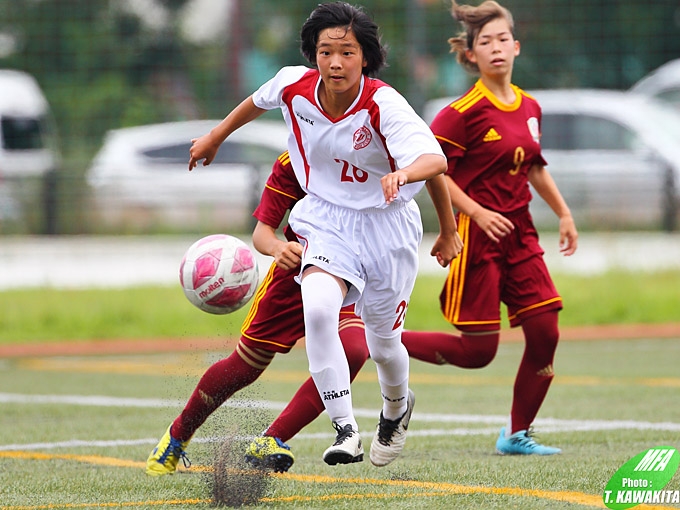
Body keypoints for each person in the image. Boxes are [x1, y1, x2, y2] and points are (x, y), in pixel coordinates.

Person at [186, 1, 462, 468]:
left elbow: (435, 163)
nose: (335, 62)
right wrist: (216, 136)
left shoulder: (383, 103)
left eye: (347, 52)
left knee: (384, 344)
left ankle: (396, 409)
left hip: (387, 226)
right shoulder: (295, 84)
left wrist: (436, 215)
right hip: (326, 219)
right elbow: (257, 100)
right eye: (325, 51)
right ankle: (345, 429)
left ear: (365, 57)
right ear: (313, 54)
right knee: (317, 307)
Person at [146, 151, 371, 476]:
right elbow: (262, 233)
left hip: (351, 270)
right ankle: (178, 435)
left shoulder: (372, 149)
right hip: (295, 273)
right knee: (245, 365)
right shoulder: (293, 160)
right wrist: (279, 248)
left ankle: (272, 439)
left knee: (353, 351)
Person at [425, 0, 578, 455]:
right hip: (477, 239)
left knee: (546, 332)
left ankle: (516, 434)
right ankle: (380, 341)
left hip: (522, 235)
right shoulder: (461, 112)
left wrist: (565, 214)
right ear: (470, 55)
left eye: (502, 39)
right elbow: (432, 171)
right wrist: (473, 211)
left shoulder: (530, 106)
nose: (495, 48)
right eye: (484, 42)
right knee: (478, 352)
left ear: (516, 46)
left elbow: (533, 168)